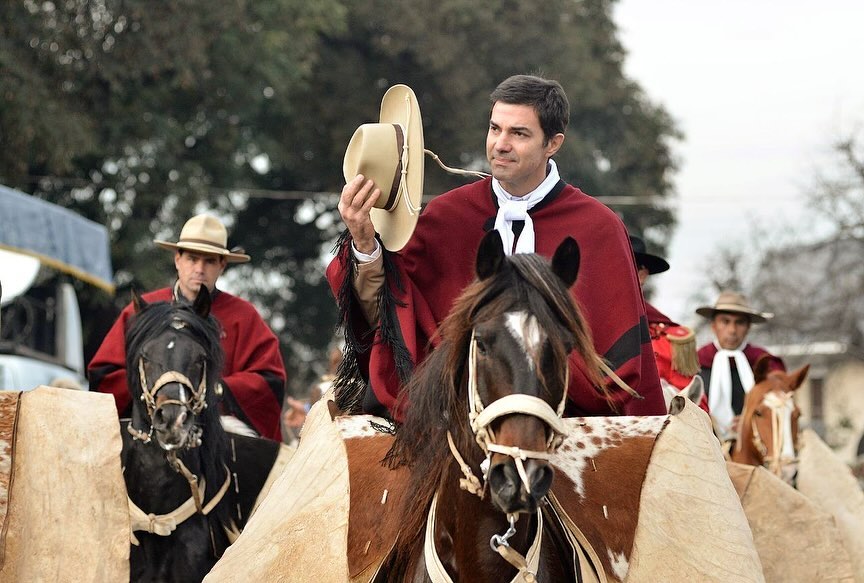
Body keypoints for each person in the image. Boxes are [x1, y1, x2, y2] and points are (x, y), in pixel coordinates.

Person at [327, 75, 665, 421]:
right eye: (494, 129)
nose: (500, 144)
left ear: (553, 143)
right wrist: (365, 244)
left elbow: (618, 368)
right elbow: (391, 320)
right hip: (450, 427)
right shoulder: (446, 216)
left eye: (518, 133)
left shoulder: (599, 228)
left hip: (569, 426)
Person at [88, 214, 286, 440]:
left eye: (209, 261)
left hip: (222, 437)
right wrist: (156, 391)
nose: (199, 269)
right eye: (192, 259)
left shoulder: (244, 315)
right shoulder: (142, 310)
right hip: (148, 432)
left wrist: (215, 389)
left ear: (222, 265)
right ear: (177, 260)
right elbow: (104, 376)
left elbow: (270, 382)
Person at [629, 235, 707, 412]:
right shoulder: (583, 332)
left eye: (624, 266)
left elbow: (694, 411)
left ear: (642, 275)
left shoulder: (671, 340)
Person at [695, 290, 785, 439]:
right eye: (725, 321)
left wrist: (751, 421)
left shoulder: (765, 363)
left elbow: (779, 405)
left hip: (755, 443)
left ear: (748, 327)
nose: (732, 330)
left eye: (740, 323)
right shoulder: (695, 362)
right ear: (714, 325)